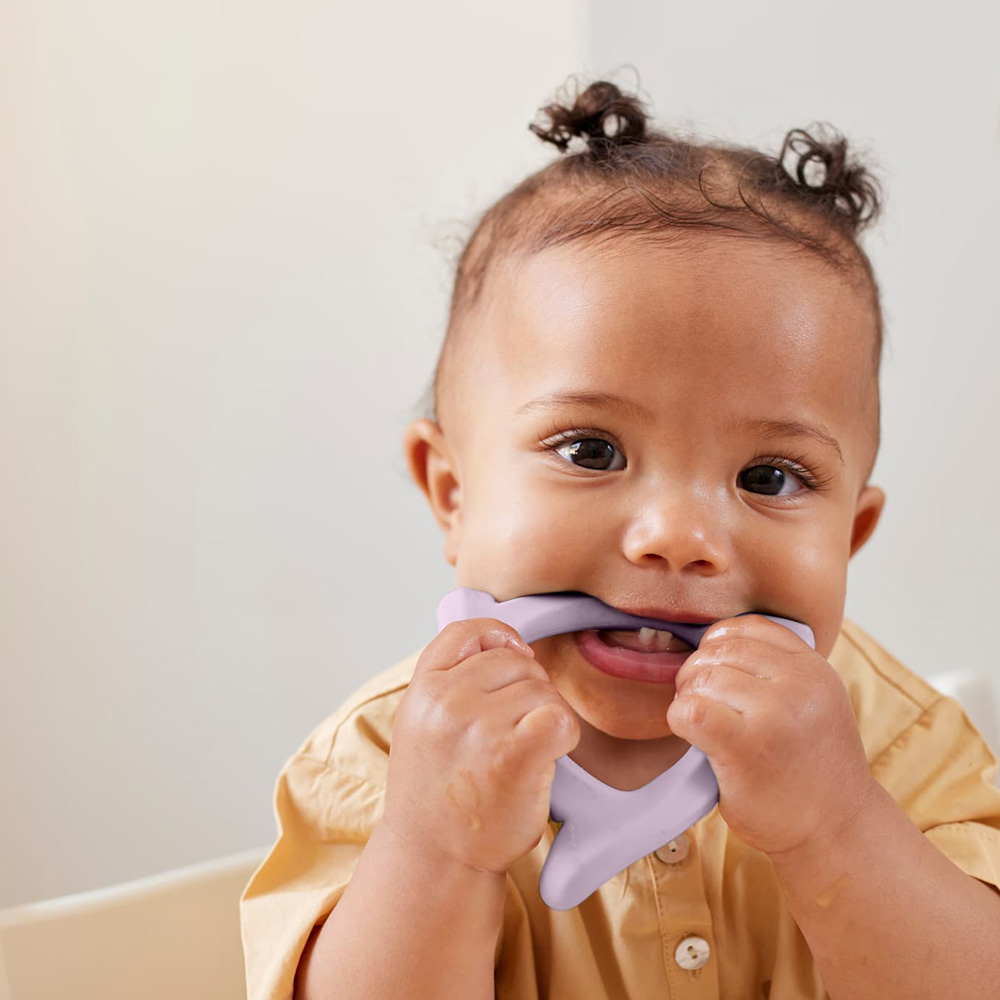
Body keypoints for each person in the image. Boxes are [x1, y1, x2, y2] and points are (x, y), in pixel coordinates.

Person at [239, 73, 1000, 999]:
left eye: (769, 478)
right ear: (452, 492)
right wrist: (435, 853)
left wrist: (837, 824)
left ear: (851, 535)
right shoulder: (383, 757)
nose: (679, 538)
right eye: (591, 449)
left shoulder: (899, 742)